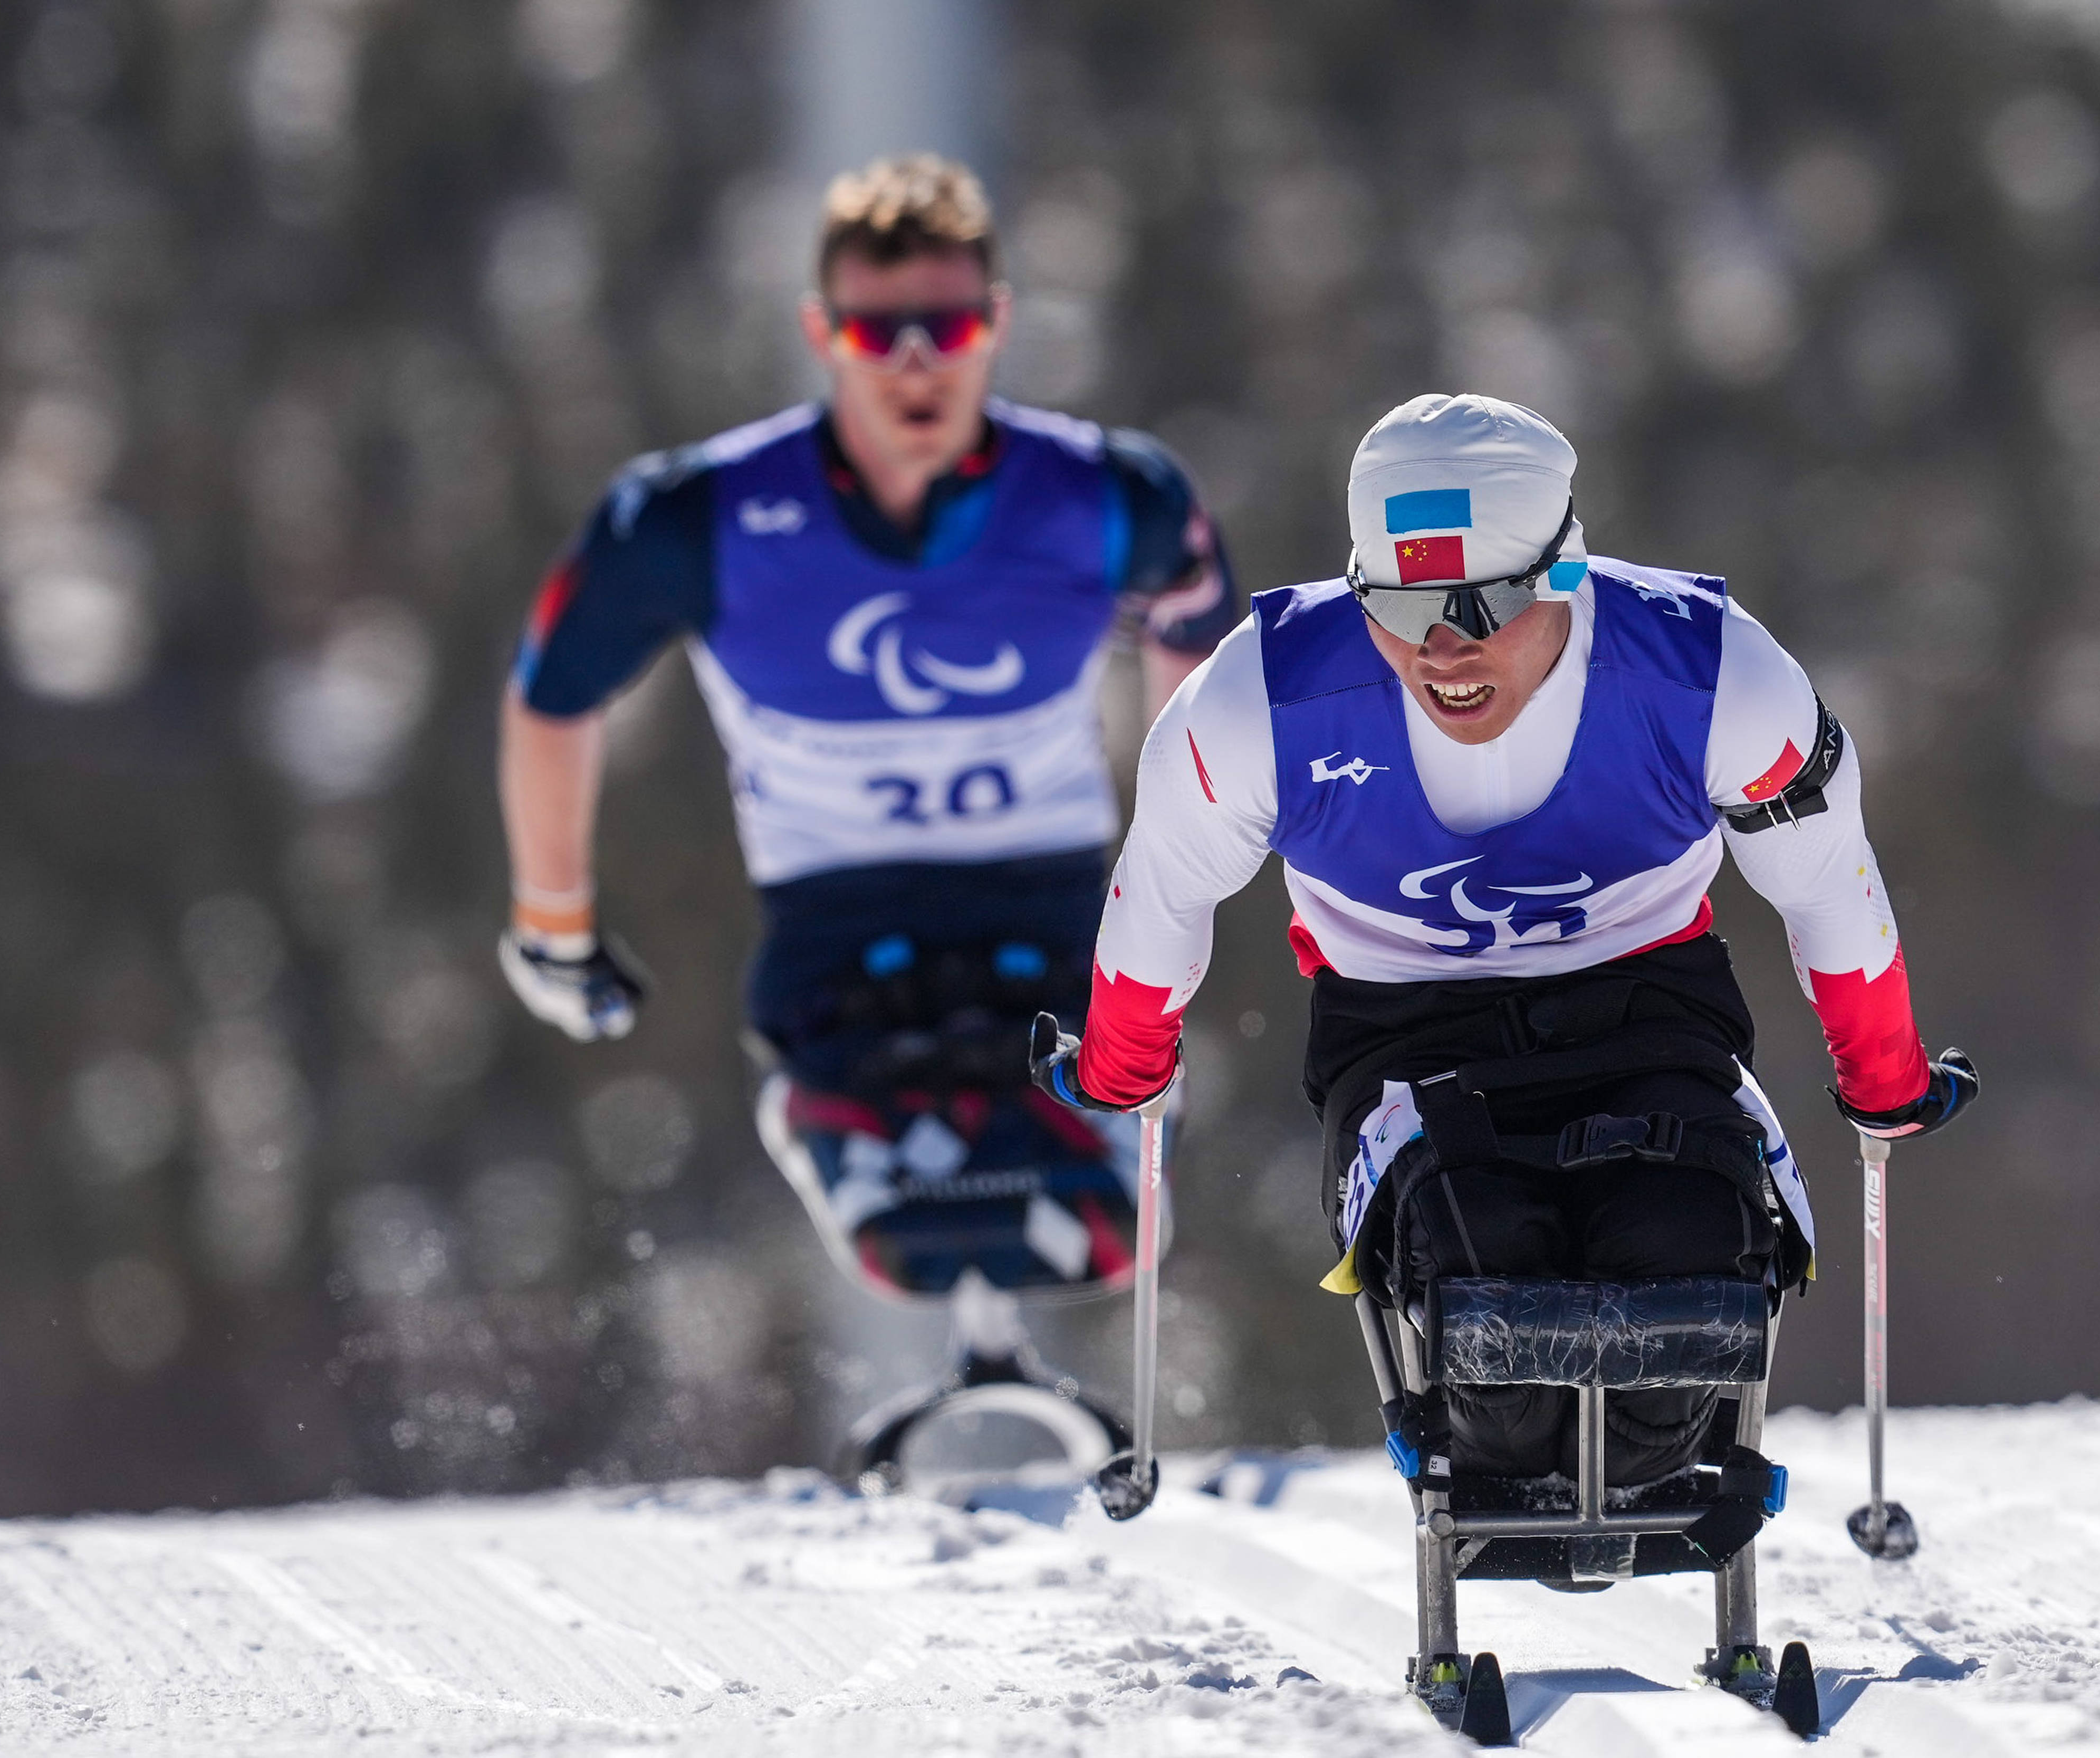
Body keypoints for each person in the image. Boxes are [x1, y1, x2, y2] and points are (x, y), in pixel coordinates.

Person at [1033, 393, 1975, 1487]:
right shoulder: (1258, 701)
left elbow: (1827, 886)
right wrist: (1121, 1065)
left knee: (1685, 1260)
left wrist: (1885, 1078)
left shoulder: (1711, 675)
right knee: (1485, 1296)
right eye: (1396, 603)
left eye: (1481, 605)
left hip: (1645, 1008)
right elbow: (1159, 894)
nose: (1441, 649)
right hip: (1403, 1037)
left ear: (1565, 572)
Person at [496, 154, 1241, 1301]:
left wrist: (1181, 896)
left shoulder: (1108, 498)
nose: (910, 365)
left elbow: (1211, 688)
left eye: (942, 329)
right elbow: (554, 693)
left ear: (995, 324)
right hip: (839, 928)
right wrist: (555, 926)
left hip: (1051, 910)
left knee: (1106, 1238)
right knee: (912, 1246)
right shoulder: (697, 518)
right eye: (873, 331)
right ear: (820, 329)